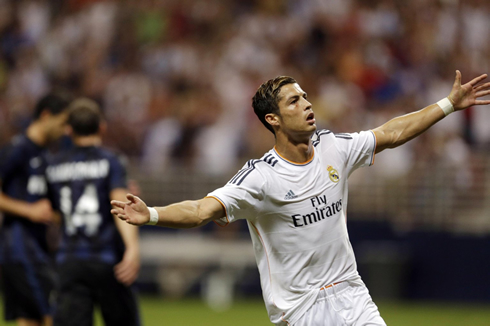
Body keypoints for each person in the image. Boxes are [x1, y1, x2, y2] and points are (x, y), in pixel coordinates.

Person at [111, 71, 490, 326]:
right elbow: (200, 210)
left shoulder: (334, 148)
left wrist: (448, 105)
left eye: (305, 97)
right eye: (293, 101)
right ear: (273, 120)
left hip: (352, 293)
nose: (307, 104)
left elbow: (390, 133)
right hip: (302, 310)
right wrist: (154, 214)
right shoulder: (261, 178)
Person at [45, 98, 141, 326]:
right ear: (102, 126)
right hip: (107, 258)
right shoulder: (111, 161)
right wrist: (133, 248)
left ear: (68, 130)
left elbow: (56, 213)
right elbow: (121, 205)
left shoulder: (54, 165)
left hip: (70, 258)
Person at [0, 92, 71, 326]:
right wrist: (28, 210)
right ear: (45, 115)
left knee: (30, 319)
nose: (65, 131)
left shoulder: (45, 155)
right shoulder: (17, 150)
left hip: (36, 246)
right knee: (54, 315)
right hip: (20, 247)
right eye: (62, 123)